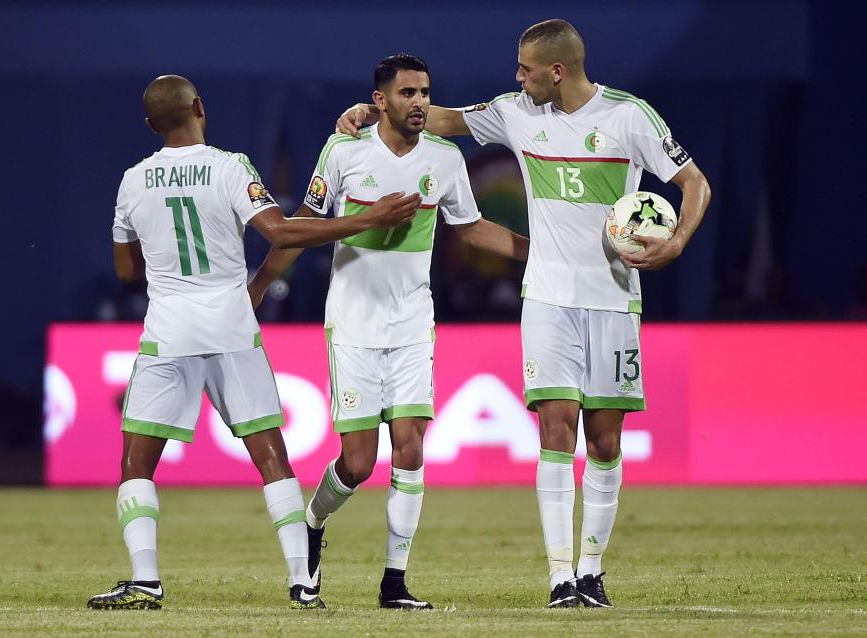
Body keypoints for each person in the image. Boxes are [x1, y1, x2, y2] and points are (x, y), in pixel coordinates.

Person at [336, 20, 711, 609]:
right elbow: (445, 118)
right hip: (546, 298)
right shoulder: (516, 112)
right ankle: (561, 578)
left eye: (525, 68)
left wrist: (678, 241)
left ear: (555, 71)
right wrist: (367, 110)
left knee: (605, 441)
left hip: (614, 297)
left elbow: (694, 183)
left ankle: (592, 571)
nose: (516, 77)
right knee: (556, 428)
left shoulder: (629, 118)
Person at [87, 74, 421, 611]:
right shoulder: (229, 166)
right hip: (232, 324)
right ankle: (302, 584)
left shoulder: (133, 181)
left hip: (169, 330)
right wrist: (366, 219)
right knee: (271, 457)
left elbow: (127, 270)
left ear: (151, 125)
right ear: (200, 107)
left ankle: (145, 580)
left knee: (136, 465)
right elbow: (282, 231)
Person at [248, 54, 529, 610]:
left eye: (425, 92)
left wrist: (538, 253)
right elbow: (299, 227)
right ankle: (313, 520)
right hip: (352, 324)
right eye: (407, 93)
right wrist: (255, 291)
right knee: (357, 462)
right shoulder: (345, 151)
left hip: (411, 325)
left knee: (410, 449)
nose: (419, 102)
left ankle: (394, 582)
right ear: (381, 101)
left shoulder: (445, 160)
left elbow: (471, 229)